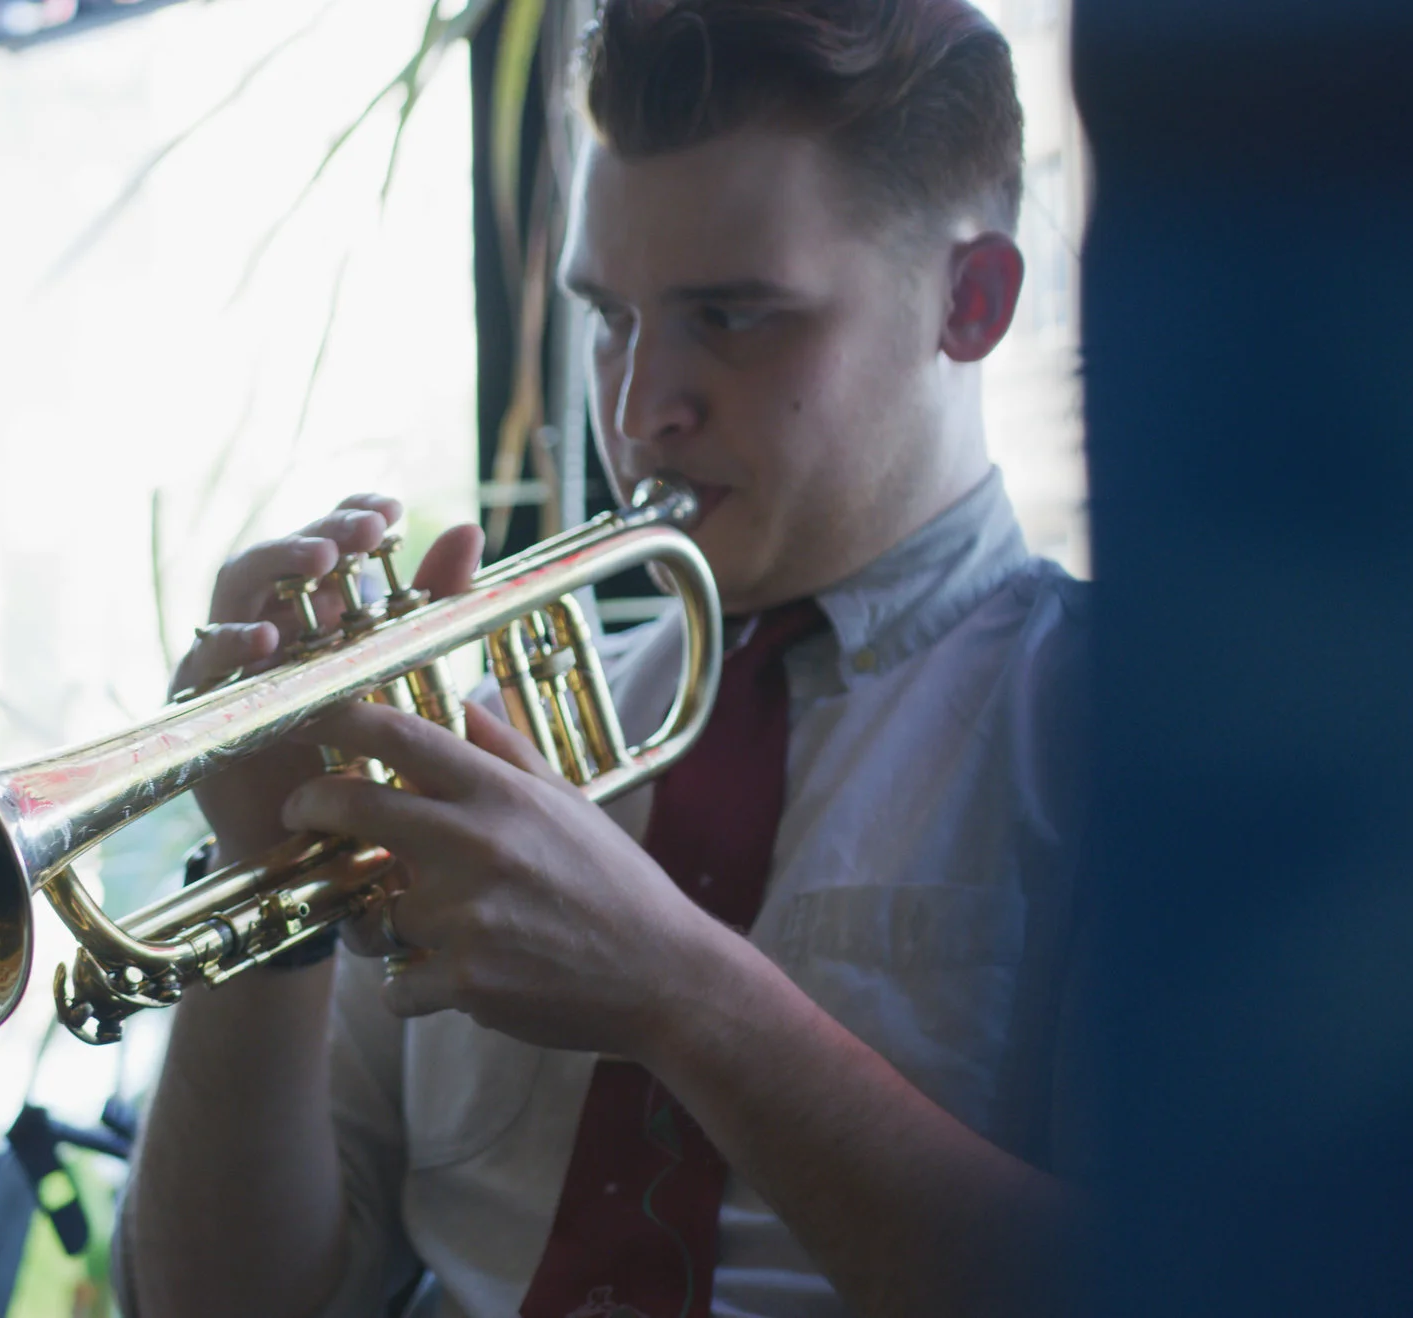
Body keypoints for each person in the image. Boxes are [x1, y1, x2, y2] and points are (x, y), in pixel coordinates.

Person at [124, 1, 1086, 1315]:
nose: (637, 412)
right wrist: (264, 886)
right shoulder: (496, 737)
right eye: (608, 316)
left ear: (970, 303)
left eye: (731, 316)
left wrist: (675, 991)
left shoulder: (1137, 737)